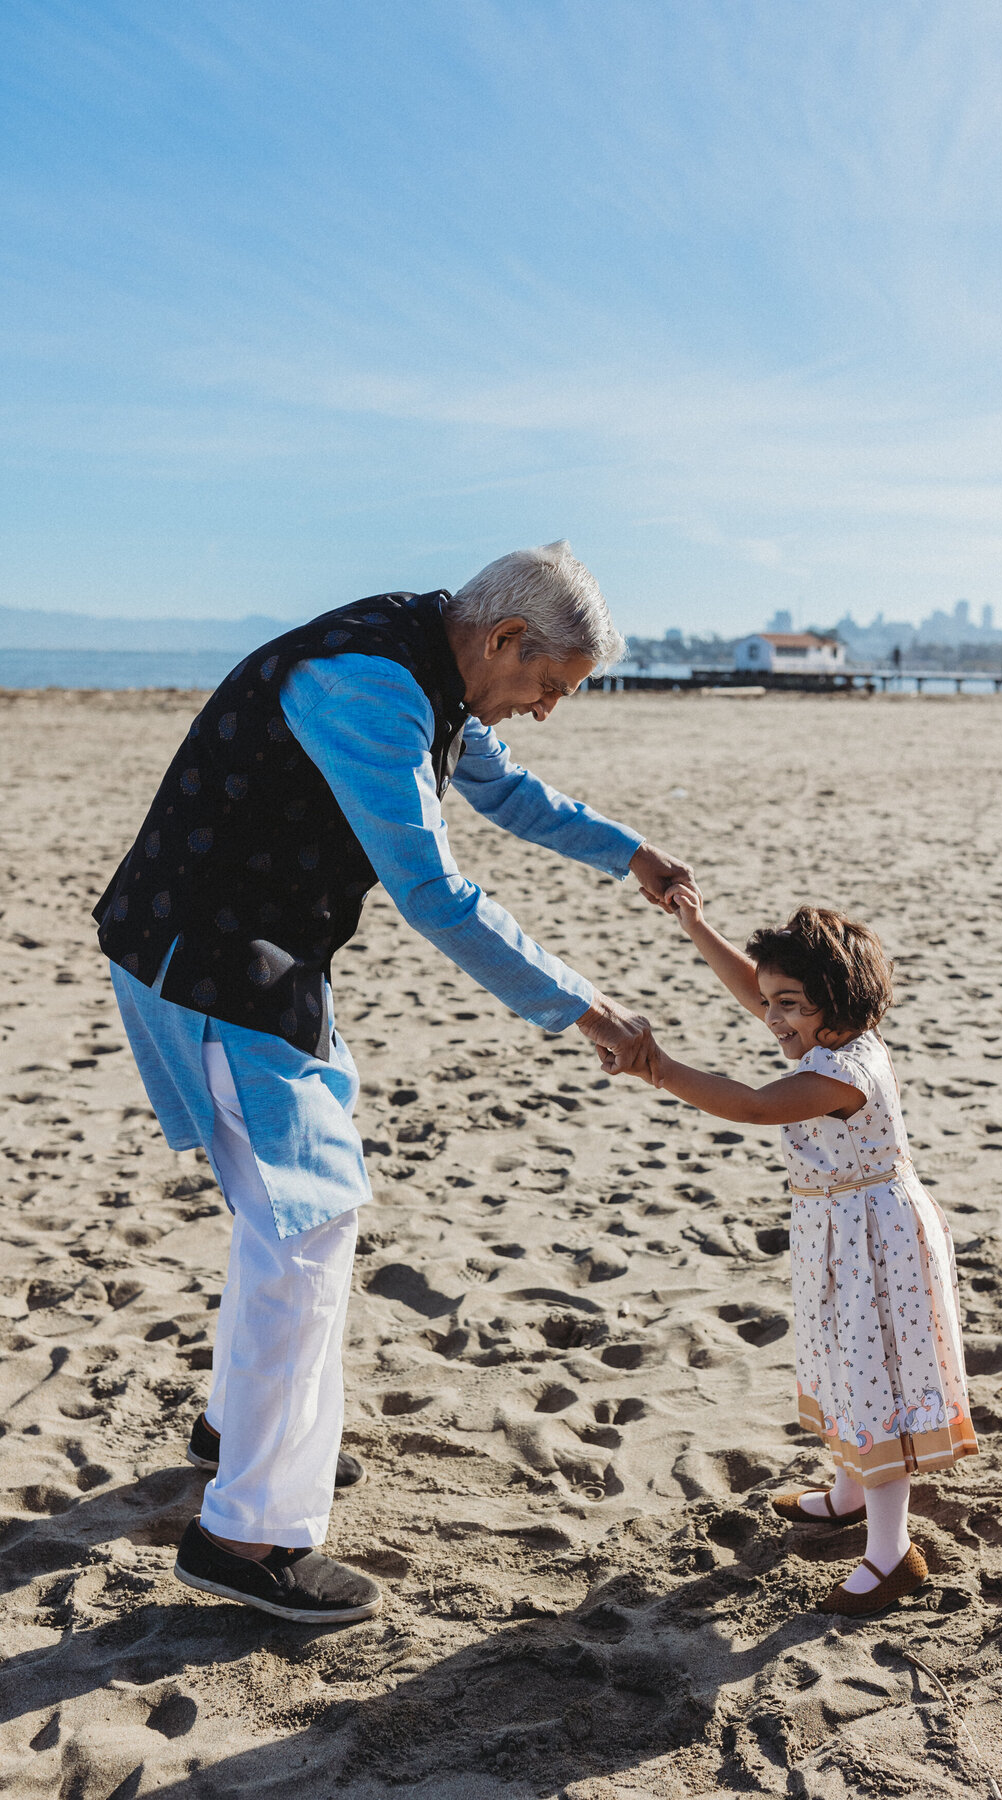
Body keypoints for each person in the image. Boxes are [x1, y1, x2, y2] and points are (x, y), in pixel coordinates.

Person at [95, 541, 694, 1624]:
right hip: (216, 957)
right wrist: (586, 1010)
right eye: (550, 687)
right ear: (506, 639)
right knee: (310, 1224)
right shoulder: (371, 686)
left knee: (286, 1215)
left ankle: (241, 1434)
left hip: (249, 954)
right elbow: (434, 892)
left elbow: (505, 791)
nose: (548, 709)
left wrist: (630, 853)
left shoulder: (425, 663)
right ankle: (249, 1535)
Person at [611, 891, 977, 1616]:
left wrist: (657, 1066)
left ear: (834, 1007)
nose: (771, 1017)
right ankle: (846, 1493)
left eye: (789, 1005)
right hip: (839, 1230)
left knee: (878, 1386)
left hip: (877, 1241)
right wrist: (695, 926)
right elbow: (754, 986)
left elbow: (749, 1104)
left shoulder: (843, 1073)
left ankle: (891, 1553)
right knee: (845, 1364)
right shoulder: (828, 1035)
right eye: (771, 1001)